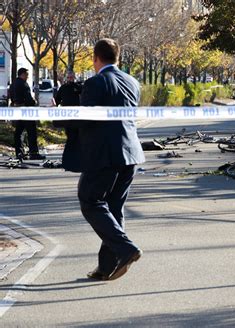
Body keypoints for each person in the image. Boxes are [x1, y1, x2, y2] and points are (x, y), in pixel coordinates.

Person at [58, 39, 145, 281]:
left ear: (96, 59)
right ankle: (106, 267)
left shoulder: (96, 82)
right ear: (118, 58)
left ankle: (126, 249)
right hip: (130, 154)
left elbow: (86, 118)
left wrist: (59, 116)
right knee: (114, 207)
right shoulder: (132, 82)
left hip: (104, 155)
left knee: (90, 200)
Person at [10, 68, 45, 160]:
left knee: (18, 132)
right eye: (26, 74)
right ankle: (33, 153)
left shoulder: (13, 84)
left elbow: (11, 96)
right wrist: (34, 102)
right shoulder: (24, 84)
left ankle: (19, 152)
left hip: (16, 110)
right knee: (31, 131)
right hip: (26, 110)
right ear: (22, 74)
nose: (27, 76)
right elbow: (28, 99)